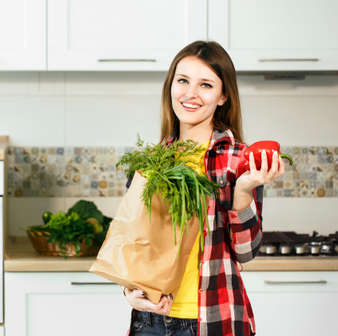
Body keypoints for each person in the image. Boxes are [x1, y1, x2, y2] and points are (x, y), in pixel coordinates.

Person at [122, 41, 285, 336]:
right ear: (170, 86)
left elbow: (246, 252)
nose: (190, 94)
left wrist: (244, 189)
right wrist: (129, 290)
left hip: (213, 320)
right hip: (150, 322)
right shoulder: (149, 163)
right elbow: (134, 246)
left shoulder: (239, 160)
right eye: (183, 80)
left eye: (206, 85)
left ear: (223, 96)